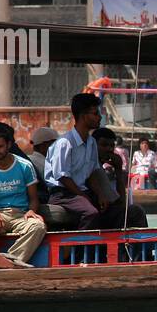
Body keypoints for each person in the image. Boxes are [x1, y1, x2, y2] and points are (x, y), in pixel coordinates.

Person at [0, 122, 47, 266]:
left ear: (9, 144)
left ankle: (8, 261)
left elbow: (34, 198)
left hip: (20, 215)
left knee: (38, 226)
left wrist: (32, 210)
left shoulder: (24, 165)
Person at [43, 92, 108, 230]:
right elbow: (62, 176)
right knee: (91, 213)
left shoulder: (91, 142)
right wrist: (83, 195)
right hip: (63, 194)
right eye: (95, 113)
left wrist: (101, 195)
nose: (99, 117)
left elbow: (91, 173)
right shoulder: (64, 143)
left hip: (80, 192)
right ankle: (77, 249)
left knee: (114, 210)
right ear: (84, 116)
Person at [93, 127, 148, 228]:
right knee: (136, 212)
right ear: (93, 145)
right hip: (99, 214)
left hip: (105, 212)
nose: (109, 149)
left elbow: (120, 202)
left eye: (111, 146)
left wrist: (118, 169)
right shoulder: (94, 167)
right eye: (104, 145)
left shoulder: (101, 166)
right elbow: (121, 204)